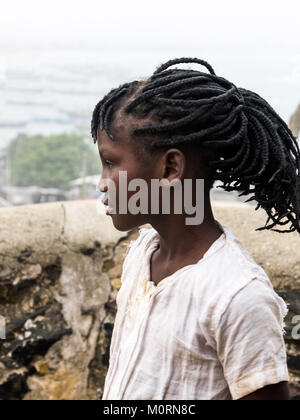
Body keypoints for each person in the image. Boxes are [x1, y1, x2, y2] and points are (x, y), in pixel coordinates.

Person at [91, 57, 300, 400]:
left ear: (170, 168)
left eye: (111, 163)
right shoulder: (143, 255)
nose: (102, 183)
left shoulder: (237, 295)